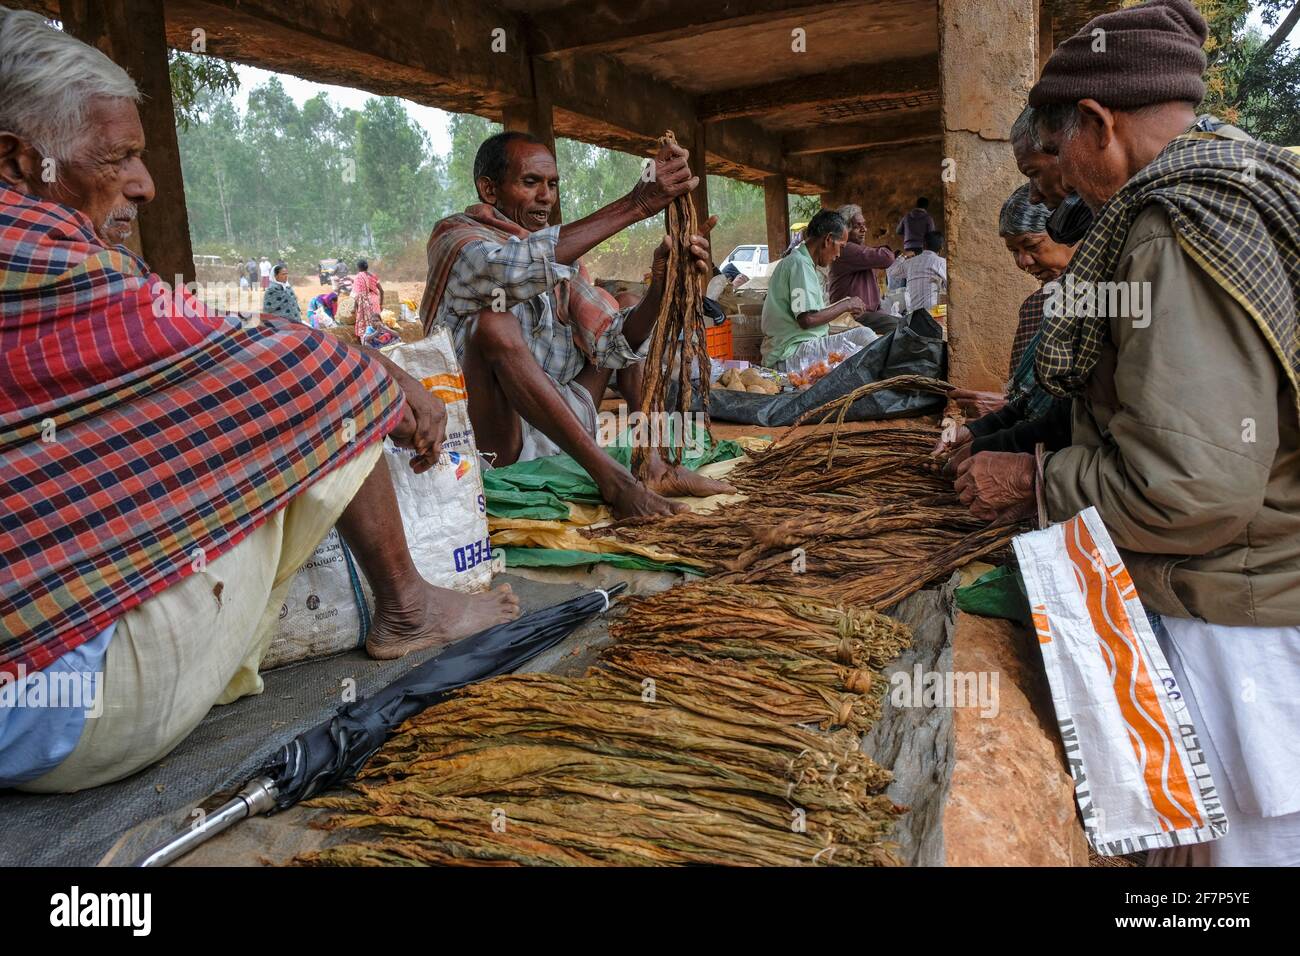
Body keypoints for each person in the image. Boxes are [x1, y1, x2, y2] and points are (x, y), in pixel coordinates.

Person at [0, 9, 517, 793]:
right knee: (319, 391)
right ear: (16, 160)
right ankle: (408, 607)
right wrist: (365, 374)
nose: (142, 183)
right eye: (119, 158)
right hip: (55, 716)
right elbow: (285, 370)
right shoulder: (45, 261)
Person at [955, 0, 1300, 866]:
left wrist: (1034, 483)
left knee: (1230, 869)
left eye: (1058, 160)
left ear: (1098, 124)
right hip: (1249, 601)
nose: (1058, 192)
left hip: (1235, 630)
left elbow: (1191, 484)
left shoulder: (1172, 229)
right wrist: (1015, 432)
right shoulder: (1242, 183)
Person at [419, 131, 733, 520]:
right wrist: (636, 204)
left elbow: (614, 344)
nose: (546, 196)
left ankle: (653, 465)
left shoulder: (562, 260)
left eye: (552, 185)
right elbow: (512, 269)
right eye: (530, 182)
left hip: (564, 429)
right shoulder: (456, 238)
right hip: (496, 442)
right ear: (489, 189)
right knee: (492, 324)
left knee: (630, 303)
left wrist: (662, 285)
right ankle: (614, 482)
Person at [936, 184, 1079, 463]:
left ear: (1070, 235)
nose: (1023, 261)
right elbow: (1031, 402)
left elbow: (1066, 419)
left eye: (1032, 245)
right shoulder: (1039, 307)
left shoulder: (1104, 302)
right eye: (1014, 251)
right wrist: (977, 431)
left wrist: (984, 443)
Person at [759, 209, 877, 370]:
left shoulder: (802, 263)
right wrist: (846, 304)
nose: (839, 254)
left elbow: (809, 317)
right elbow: (806, 320)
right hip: (791, 354)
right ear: (828, 240)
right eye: (840, 247)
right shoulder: (798, 264)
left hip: (796, 349)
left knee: (861, 341)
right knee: (865, 336)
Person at [828, 203, 897, 335]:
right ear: (845, 231)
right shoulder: (846, 249)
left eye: (864, 225)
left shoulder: (856, 250)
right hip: (851, 317)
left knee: (902, 323)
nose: (864, 229)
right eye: (857, 226)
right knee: (902, 327)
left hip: (867, 314)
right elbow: (887, 258)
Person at [900, 230, 947, 312]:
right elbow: (951, 287)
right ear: (941, 247)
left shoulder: (910, 262)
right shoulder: (940, 262)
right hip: (932, 313)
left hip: (912, 313)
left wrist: (903, 256)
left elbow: (891, 271)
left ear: (924, 245)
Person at [351, 257, 384, 338]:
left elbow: (358, 295)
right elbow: (382, 291)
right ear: (367, 267)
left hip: (366, 301)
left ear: (358, 267)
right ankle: (380, 338)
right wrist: (381, 304)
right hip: (375, 300)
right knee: (377, 321)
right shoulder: (373, 276)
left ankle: (367, 339)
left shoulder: (359, 277)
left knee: (366, 322)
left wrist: (354, 308)